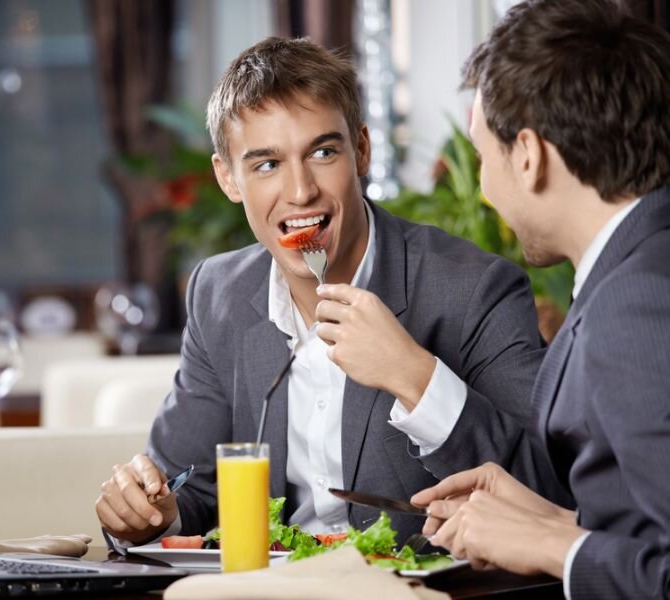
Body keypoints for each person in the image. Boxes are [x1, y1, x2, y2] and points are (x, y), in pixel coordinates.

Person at [95, 36, 564, 548]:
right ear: (227, 178)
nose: (301, 192)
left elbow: (551, 492)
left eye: (322, 152)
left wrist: (416, 377)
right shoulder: (219, 294)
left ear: (361, 149)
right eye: (267, 164)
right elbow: (190, 488)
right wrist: (151, 513)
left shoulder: (473, 288)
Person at [408, 1, 670, 598]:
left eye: (483, 158)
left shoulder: (636, 304)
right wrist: (552, 521)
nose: (484, 187)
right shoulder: (637, 264)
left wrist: (553, 548)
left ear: (528, 156)